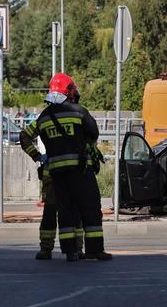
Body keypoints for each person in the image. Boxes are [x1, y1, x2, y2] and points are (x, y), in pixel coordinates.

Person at [27, 73, 112, 262]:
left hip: (56, 173)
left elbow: (24, 136)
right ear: (69, 91)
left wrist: (38, 157)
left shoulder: (43, 117)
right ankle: (94, 250)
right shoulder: (79, 112)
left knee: (64, 211)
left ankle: (69, 251)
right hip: (80, 171)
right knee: (89, 209)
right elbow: (93, 133)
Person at [20, 124, 84, 260]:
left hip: (64, 174)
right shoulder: (73, 114)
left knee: (67, 212)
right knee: (58, 213)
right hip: (63, 175)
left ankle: (71, 248)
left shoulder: (48, 117)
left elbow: (24, 136)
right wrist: (37, 155)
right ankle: (60, 248)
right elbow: (24, 136)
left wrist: (37, 156)